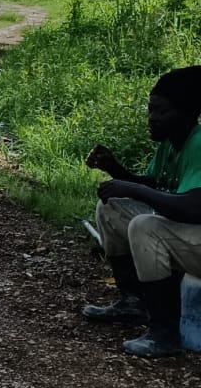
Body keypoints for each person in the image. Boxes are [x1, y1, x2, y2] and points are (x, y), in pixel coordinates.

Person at [83, 64, 201, 357]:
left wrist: (134, 189)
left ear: (187, 114)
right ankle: (132, 302)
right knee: (112, 208)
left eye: (161, 112)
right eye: (150, 110)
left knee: (145, 226)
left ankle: (164, 333)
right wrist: (116, 171)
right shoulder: (171, 144)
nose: (152, 118)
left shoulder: (199, 144)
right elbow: (156, 184)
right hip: (192, 238)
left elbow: (193, 206)